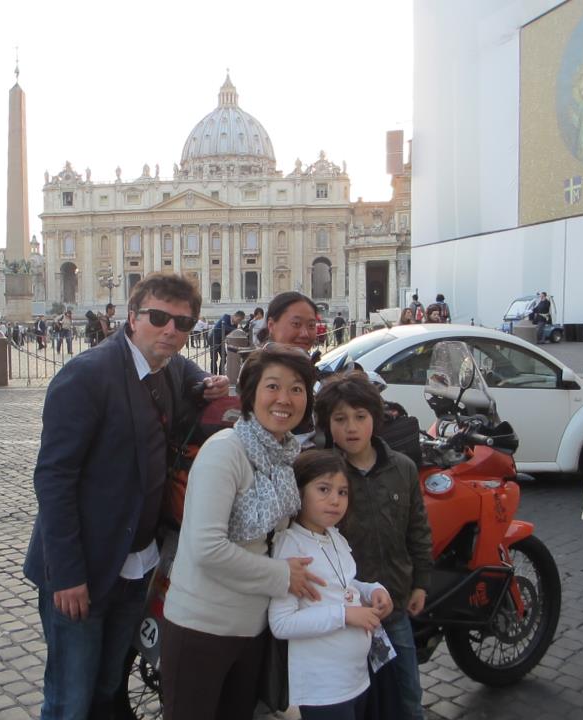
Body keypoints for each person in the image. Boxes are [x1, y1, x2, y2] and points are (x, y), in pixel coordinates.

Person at [23, 273, 229, 720]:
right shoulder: (87, 375)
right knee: (69, 699)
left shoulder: (169, 369)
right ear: (132, 317)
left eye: (184, 323)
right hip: (84, 571)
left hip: (137, 566)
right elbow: (54, 480)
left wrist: (207, 385)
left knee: (108, 686)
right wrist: (67, 574)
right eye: (159, 318)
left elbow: (191, 376)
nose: (171, 331)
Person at [161, 345, 324, 720]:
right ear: (250, 394)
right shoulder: (225, 451)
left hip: (251, 628)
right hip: (202, 627)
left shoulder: (284, 455)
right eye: (273, 386)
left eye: (297, 389)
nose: (285, 399)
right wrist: (284, 576)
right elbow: (207, 548)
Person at [315, 374, 433, 720]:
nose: (351, 428)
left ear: (375, 419)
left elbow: (418, 529)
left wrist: (421, 582)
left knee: (407, 696)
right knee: (356, 702)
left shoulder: (403, 468)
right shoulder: (323, 475)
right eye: (340, 419)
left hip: (393, 606)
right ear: (327, 424)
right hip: (345, 612)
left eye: (360, 417)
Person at [269, 450, 393, 720]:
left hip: (356, 679)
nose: (335, 500)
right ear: (299, 492)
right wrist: (345, 615)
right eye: (324, 489)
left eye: (342, 492)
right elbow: (282, 623)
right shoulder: (291, 545)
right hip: (323, 690)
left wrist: (372, 590)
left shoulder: (335, 536)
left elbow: (341, 584)